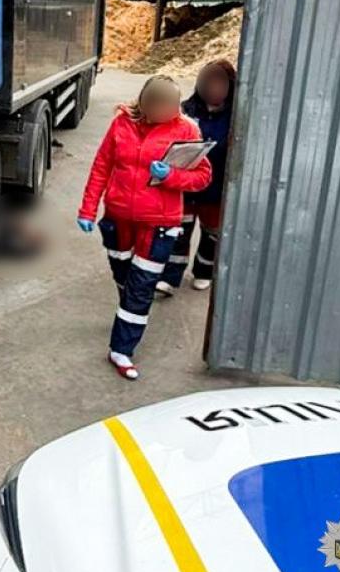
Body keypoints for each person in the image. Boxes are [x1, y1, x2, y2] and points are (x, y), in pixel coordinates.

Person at [77, 75, 212, 380]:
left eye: (171, 107)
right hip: (119, 218)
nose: (167, 112)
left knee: (141, 286)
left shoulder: (186, 129)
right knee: (123, 275)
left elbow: (203, 177)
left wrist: (170, 177)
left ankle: (121, 349)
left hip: (159, 223)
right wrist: (88, 209)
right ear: (145, 103)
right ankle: (129, 309)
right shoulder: (122, 123)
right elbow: (102, 166)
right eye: (160, 106)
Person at [157, 60, 235, 296]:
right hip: (187, 185)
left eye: (220, 83)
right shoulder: (186, 110)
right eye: (209, 82)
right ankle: (170, 277)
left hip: (217, 187)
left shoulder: (236, 115)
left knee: (212, 233)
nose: (214, 88)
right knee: (179, 231)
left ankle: (204, 272)